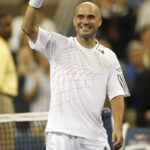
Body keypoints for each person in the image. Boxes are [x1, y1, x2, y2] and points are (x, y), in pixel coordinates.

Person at [22, 1, 130, 150]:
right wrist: (36, 1)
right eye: (80, 16)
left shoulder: (109, 56)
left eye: (91, 17)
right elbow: (28, 28)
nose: (85, 21)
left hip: (94, 138)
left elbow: (117, 94)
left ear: (99, 21)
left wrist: (118, 127)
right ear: (74, 21)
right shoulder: (57, 44)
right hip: (60, 135)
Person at [0, 12, 18, 150]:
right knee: (6, 146)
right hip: (2, 101)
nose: (10, 29)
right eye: (6, 25)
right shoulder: (1, 48)